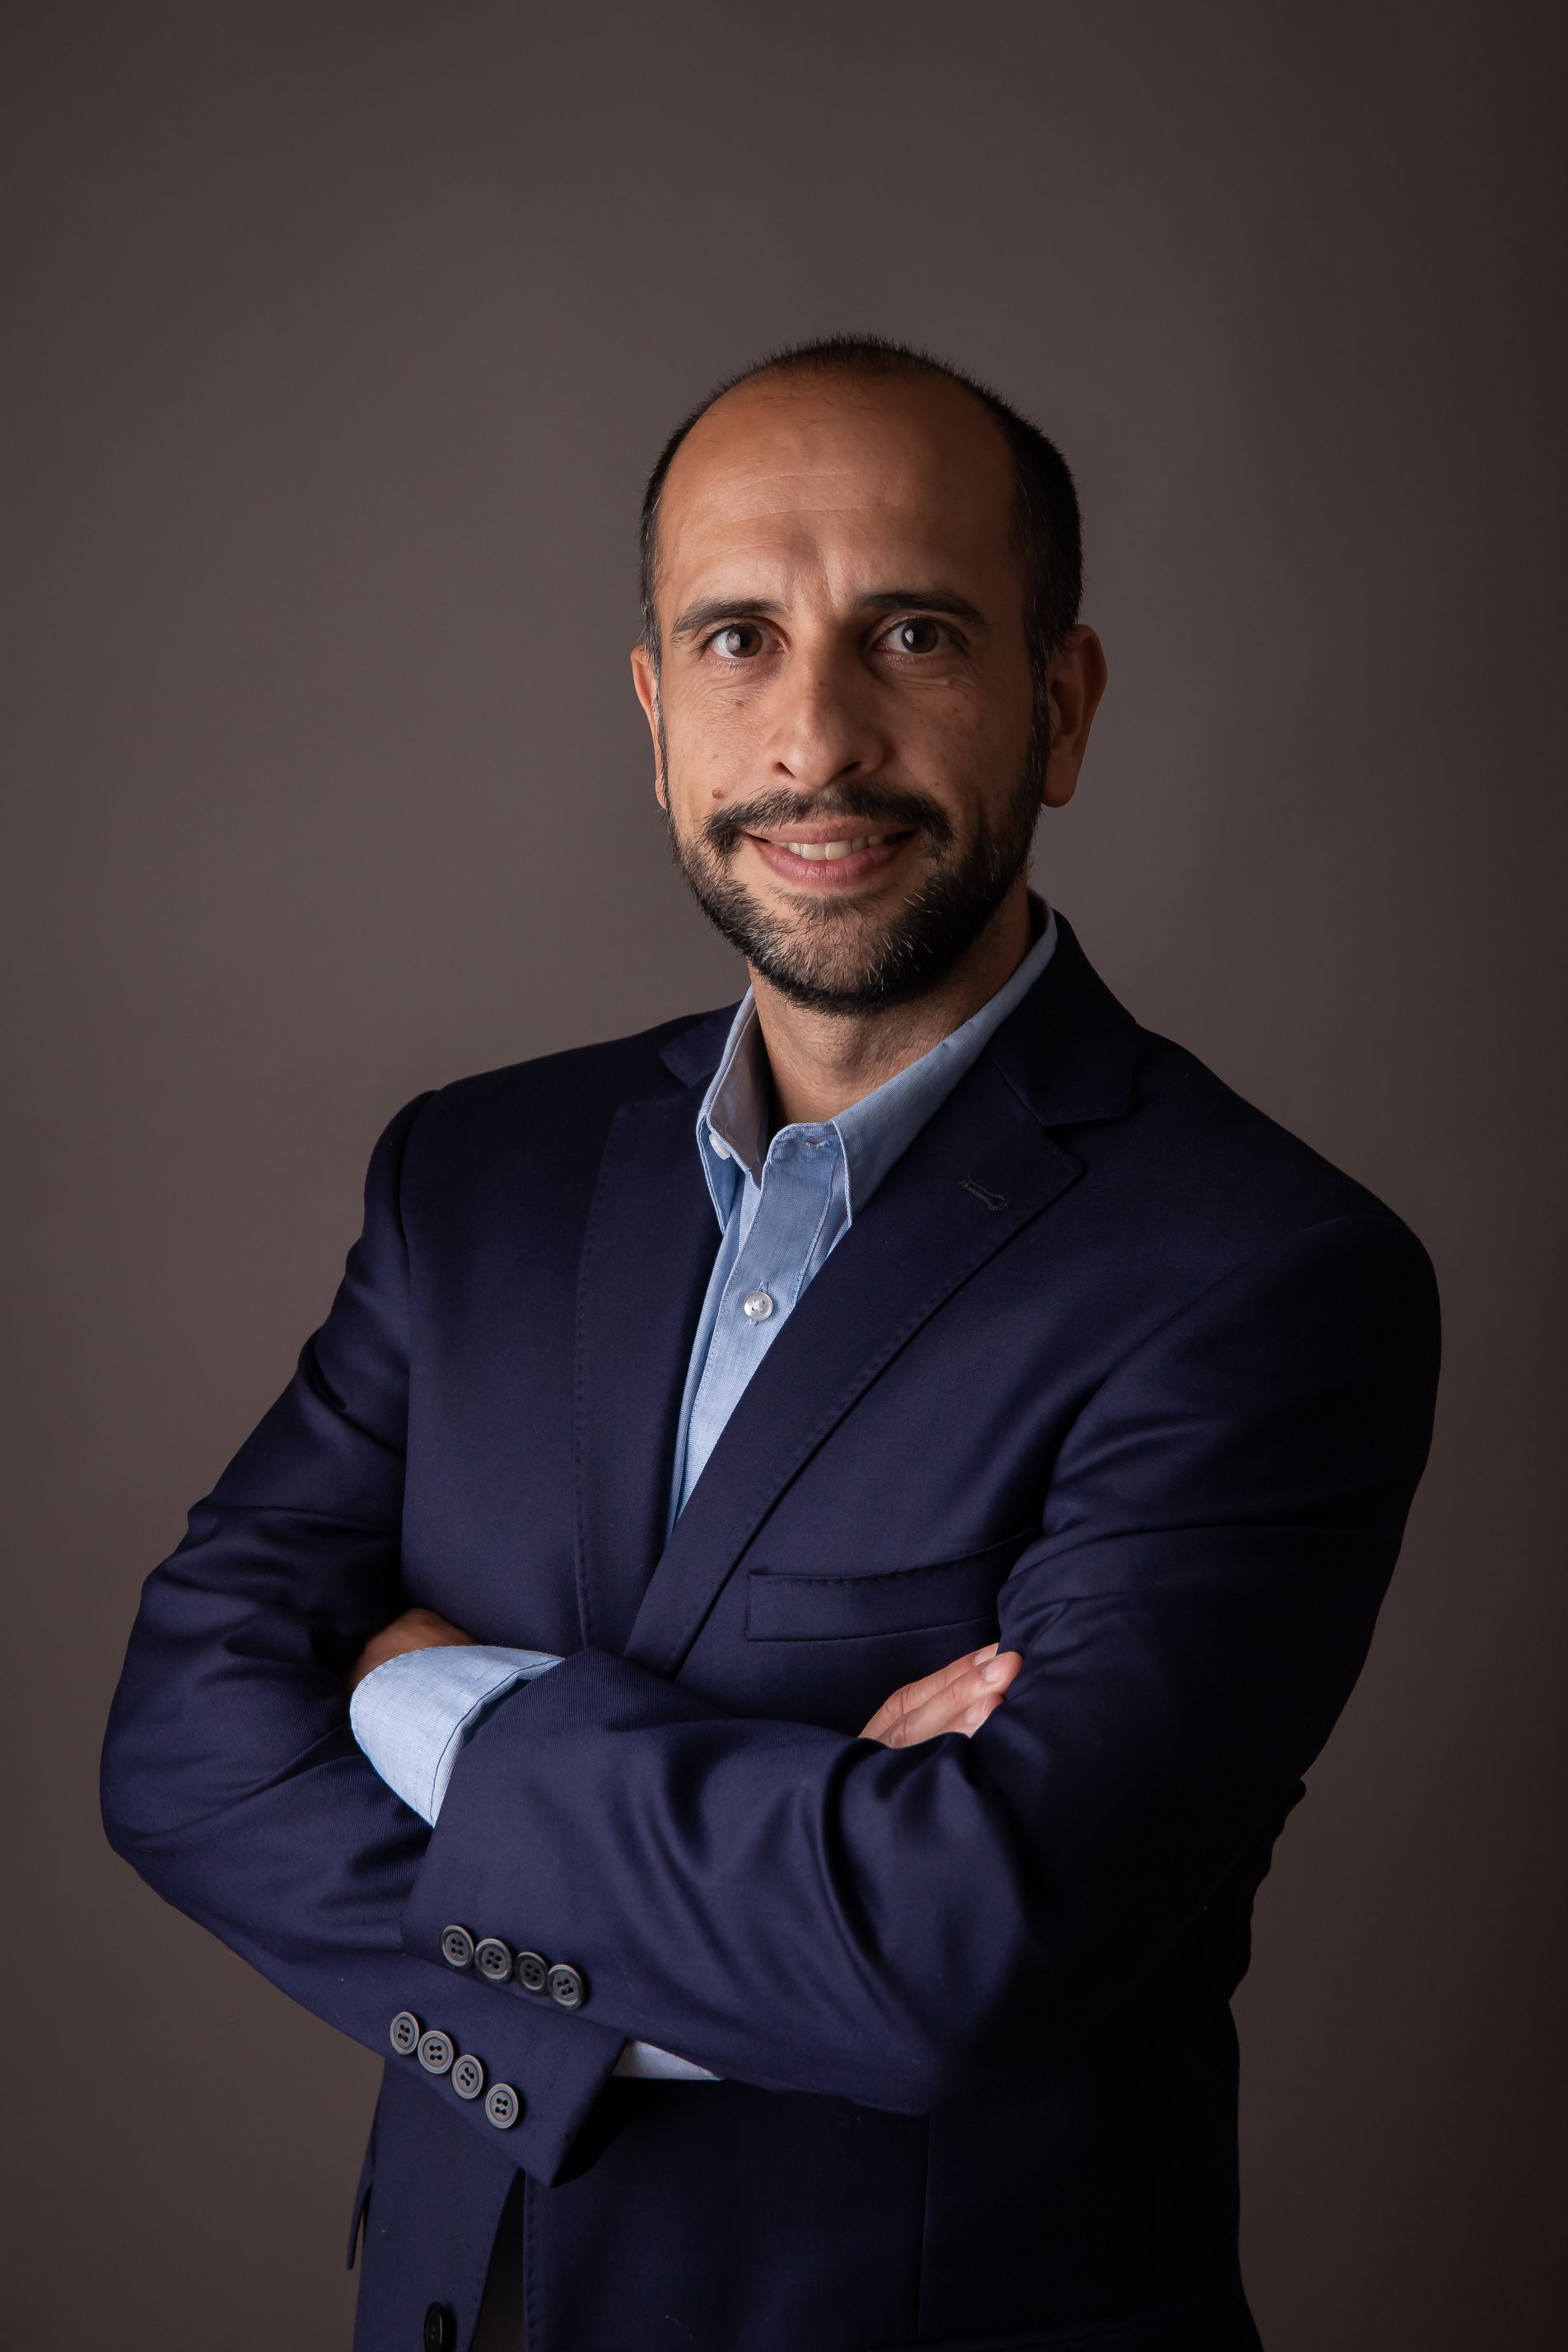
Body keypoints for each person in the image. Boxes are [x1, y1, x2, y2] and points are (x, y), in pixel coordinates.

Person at [101, 336, 1441, 2352]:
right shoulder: (474, 1174)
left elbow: (947, 1959)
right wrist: (774, 1876)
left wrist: (421, 1695)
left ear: (1056, 708)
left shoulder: (1265, 1276)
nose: (815, 738)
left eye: (911, 632)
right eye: (736, 639)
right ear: (654, 718)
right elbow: (181, 1746)